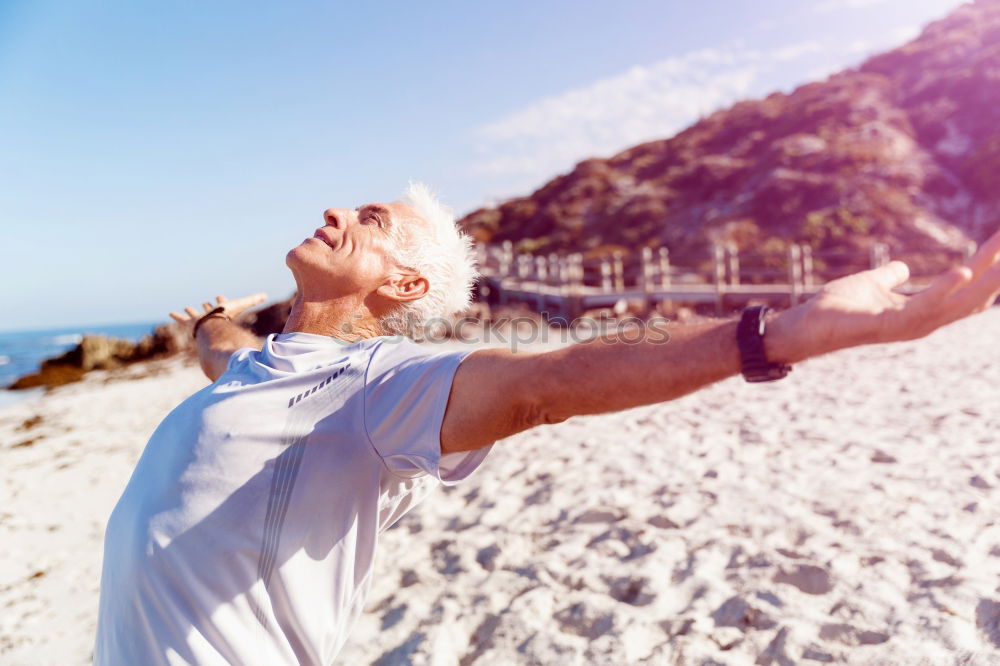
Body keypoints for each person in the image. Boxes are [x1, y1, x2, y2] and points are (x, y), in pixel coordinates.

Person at [93, 182, 1000, 665]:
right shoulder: (253, 363)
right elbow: (221, 352)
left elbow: (555, 378)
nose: (332, 211)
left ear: (405, 288)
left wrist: (781, 331)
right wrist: (208, 321)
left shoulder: (377, 383)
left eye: (366, 219)